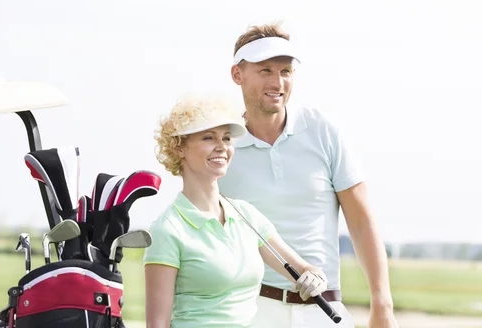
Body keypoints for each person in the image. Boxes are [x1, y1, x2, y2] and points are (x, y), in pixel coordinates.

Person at [218, 23, 399, 328]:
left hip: (324, 309)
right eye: (265, 70)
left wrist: (383, 304)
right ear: (238, 74)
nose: (278, 82)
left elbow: (361, 219)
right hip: (249, 311)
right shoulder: (221, 143)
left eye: (286, 71)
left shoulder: (323, 130)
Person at [143, 94, 330, 328]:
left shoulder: (246, 215)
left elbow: (304, 268)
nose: (222, 147)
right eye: (209, 137)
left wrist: (315, 277)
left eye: (227, 138)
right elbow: (156, 325)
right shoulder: (168, 230)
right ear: (179, 147)